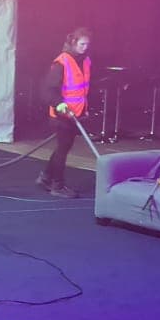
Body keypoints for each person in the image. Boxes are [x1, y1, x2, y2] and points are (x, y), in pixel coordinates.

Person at [39, 27, 92, 198]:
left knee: (63, 147)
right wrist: (59, 104)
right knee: (63, 149)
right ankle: (57, 185)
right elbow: (47, 90)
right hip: (61, 115)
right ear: (73, 42)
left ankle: (46, 177)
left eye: (87, 44)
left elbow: (82, 89)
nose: (85, 47)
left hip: (74, 115)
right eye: (82, 44)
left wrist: (84, 110)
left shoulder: (85, 61)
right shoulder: (61, 62)